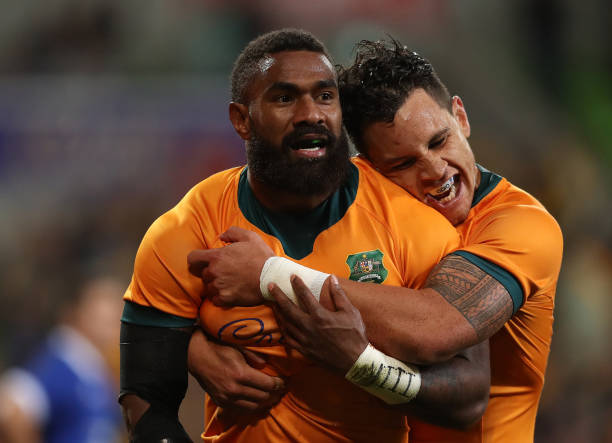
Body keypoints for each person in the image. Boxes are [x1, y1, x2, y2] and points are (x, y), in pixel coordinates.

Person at [119, 29, 491, 442]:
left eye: (325, 96)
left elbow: (468, 399)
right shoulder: (188, 229)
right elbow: (145, 398)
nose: (310, 113)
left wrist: (361, 363)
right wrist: (188, 348)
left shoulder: (415, 225)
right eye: (284, 98)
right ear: (241, 120)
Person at [187, 39, 563, 442]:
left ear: (460, 116)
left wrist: (269, 275)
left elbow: (438, 326)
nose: (436, 171)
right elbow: (183, 287)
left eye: (439, 140)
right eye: (403, 163)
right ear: (367, 170)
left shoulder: (523, 225)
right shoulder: (359, 215)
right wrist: (192, 350)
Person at [0, 276, 124, 443]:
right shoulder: (63, 361)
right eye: (106, 315)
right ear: (78, 313)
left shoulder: (91, 367)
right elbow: (11, 409)